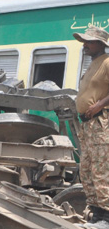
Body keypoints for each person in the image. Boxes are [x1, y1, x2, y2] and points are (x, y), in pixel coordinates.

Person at [73, 26, 109, 228]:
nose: (85, 45)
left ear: (101, 44)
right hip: (87, 127)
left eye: (89, 42)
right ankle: (96, 214)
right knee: (86, 170)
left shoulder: (107, 62)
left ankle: (106, 218)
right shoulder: (94, 63)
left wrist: (99, 104)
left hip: (100, 125)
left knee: (101, 171)